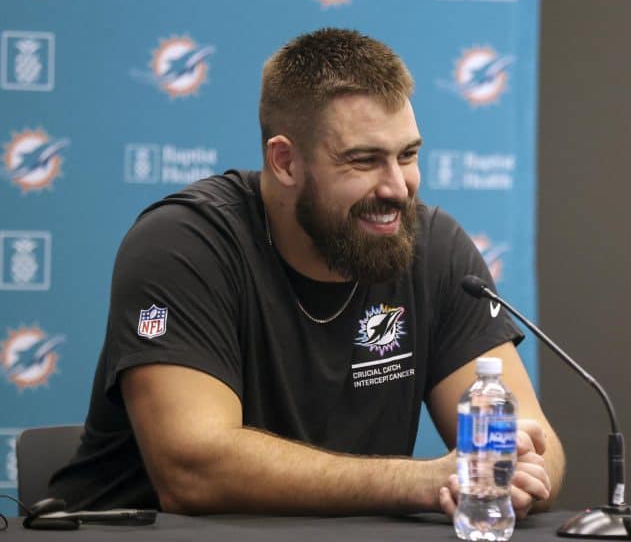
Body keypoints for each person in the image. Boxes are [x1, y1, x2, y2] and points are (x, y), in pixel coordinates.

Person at [48, 28, 564, 517]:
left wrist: (518, 475)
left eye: (407, 156)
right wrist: (420, 482)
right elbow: (193, 471)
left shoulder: (435, 248)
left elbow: (539, 445)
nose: (398, 188)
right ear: (285, 162)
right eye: (364, 161)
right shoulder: (184, 246)